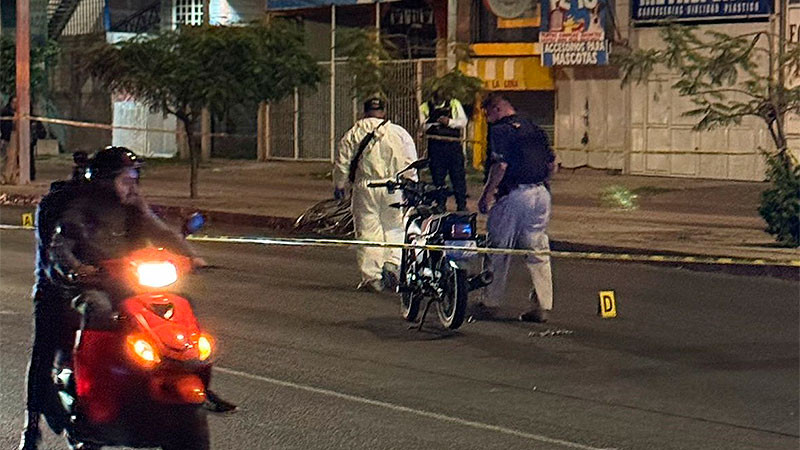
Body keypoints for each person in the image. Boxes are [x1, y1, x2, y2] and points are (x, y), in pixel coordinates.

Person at [17, 147, 235, 450]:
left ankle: (193, 374)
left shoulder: (132, 204)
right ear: (105, 180)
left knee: (181, 304)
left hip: (123, 281)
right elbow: (60, 244)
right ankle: (67, 409)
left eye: (134, 178)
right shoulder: (79, 206)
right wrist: (78, 269)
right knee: (85, 319)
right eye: (125, 179)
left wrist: (191, 257)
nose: (131, 185)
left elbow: (158, 230)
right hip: (79, 285)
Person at [476, 93, 556, 323]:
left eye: (488, 113)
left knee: (498, 247)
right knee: (537, 248)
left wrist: (487, 194)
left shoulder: (501, 130)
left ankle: (491, 301)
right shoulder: (534, 127)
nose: (488, 119)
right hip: (540, 193)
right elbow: (552, 163)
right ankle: (542, 305)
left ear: (497, 108)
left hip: (513, 194)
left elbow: (500, 165)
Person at [333, 97, 418, 292]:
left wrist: (339, 185)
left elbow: (342, 161)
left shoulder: (354, 132)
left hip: (366, 187)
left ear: (364, 112)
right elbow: (410, 159)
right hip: (394, 186)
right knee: (395, 227)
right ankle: (393, 264)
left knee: (368, 229)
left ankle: (372, 277)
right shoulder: (398, 132)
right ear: (384, 112)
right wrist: (412, 183)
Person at [419, 91, 468, 211]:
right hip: (436, 146)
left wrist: (449, 122)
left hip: (453, 146)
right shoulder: (425, 107)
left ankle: (461, 204)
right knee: (438, 177)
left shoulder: (454, 104)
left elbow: (463, 122)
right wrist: (434, 123)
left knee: (458, 176)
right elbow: (421, 125)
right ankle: (441, 204)